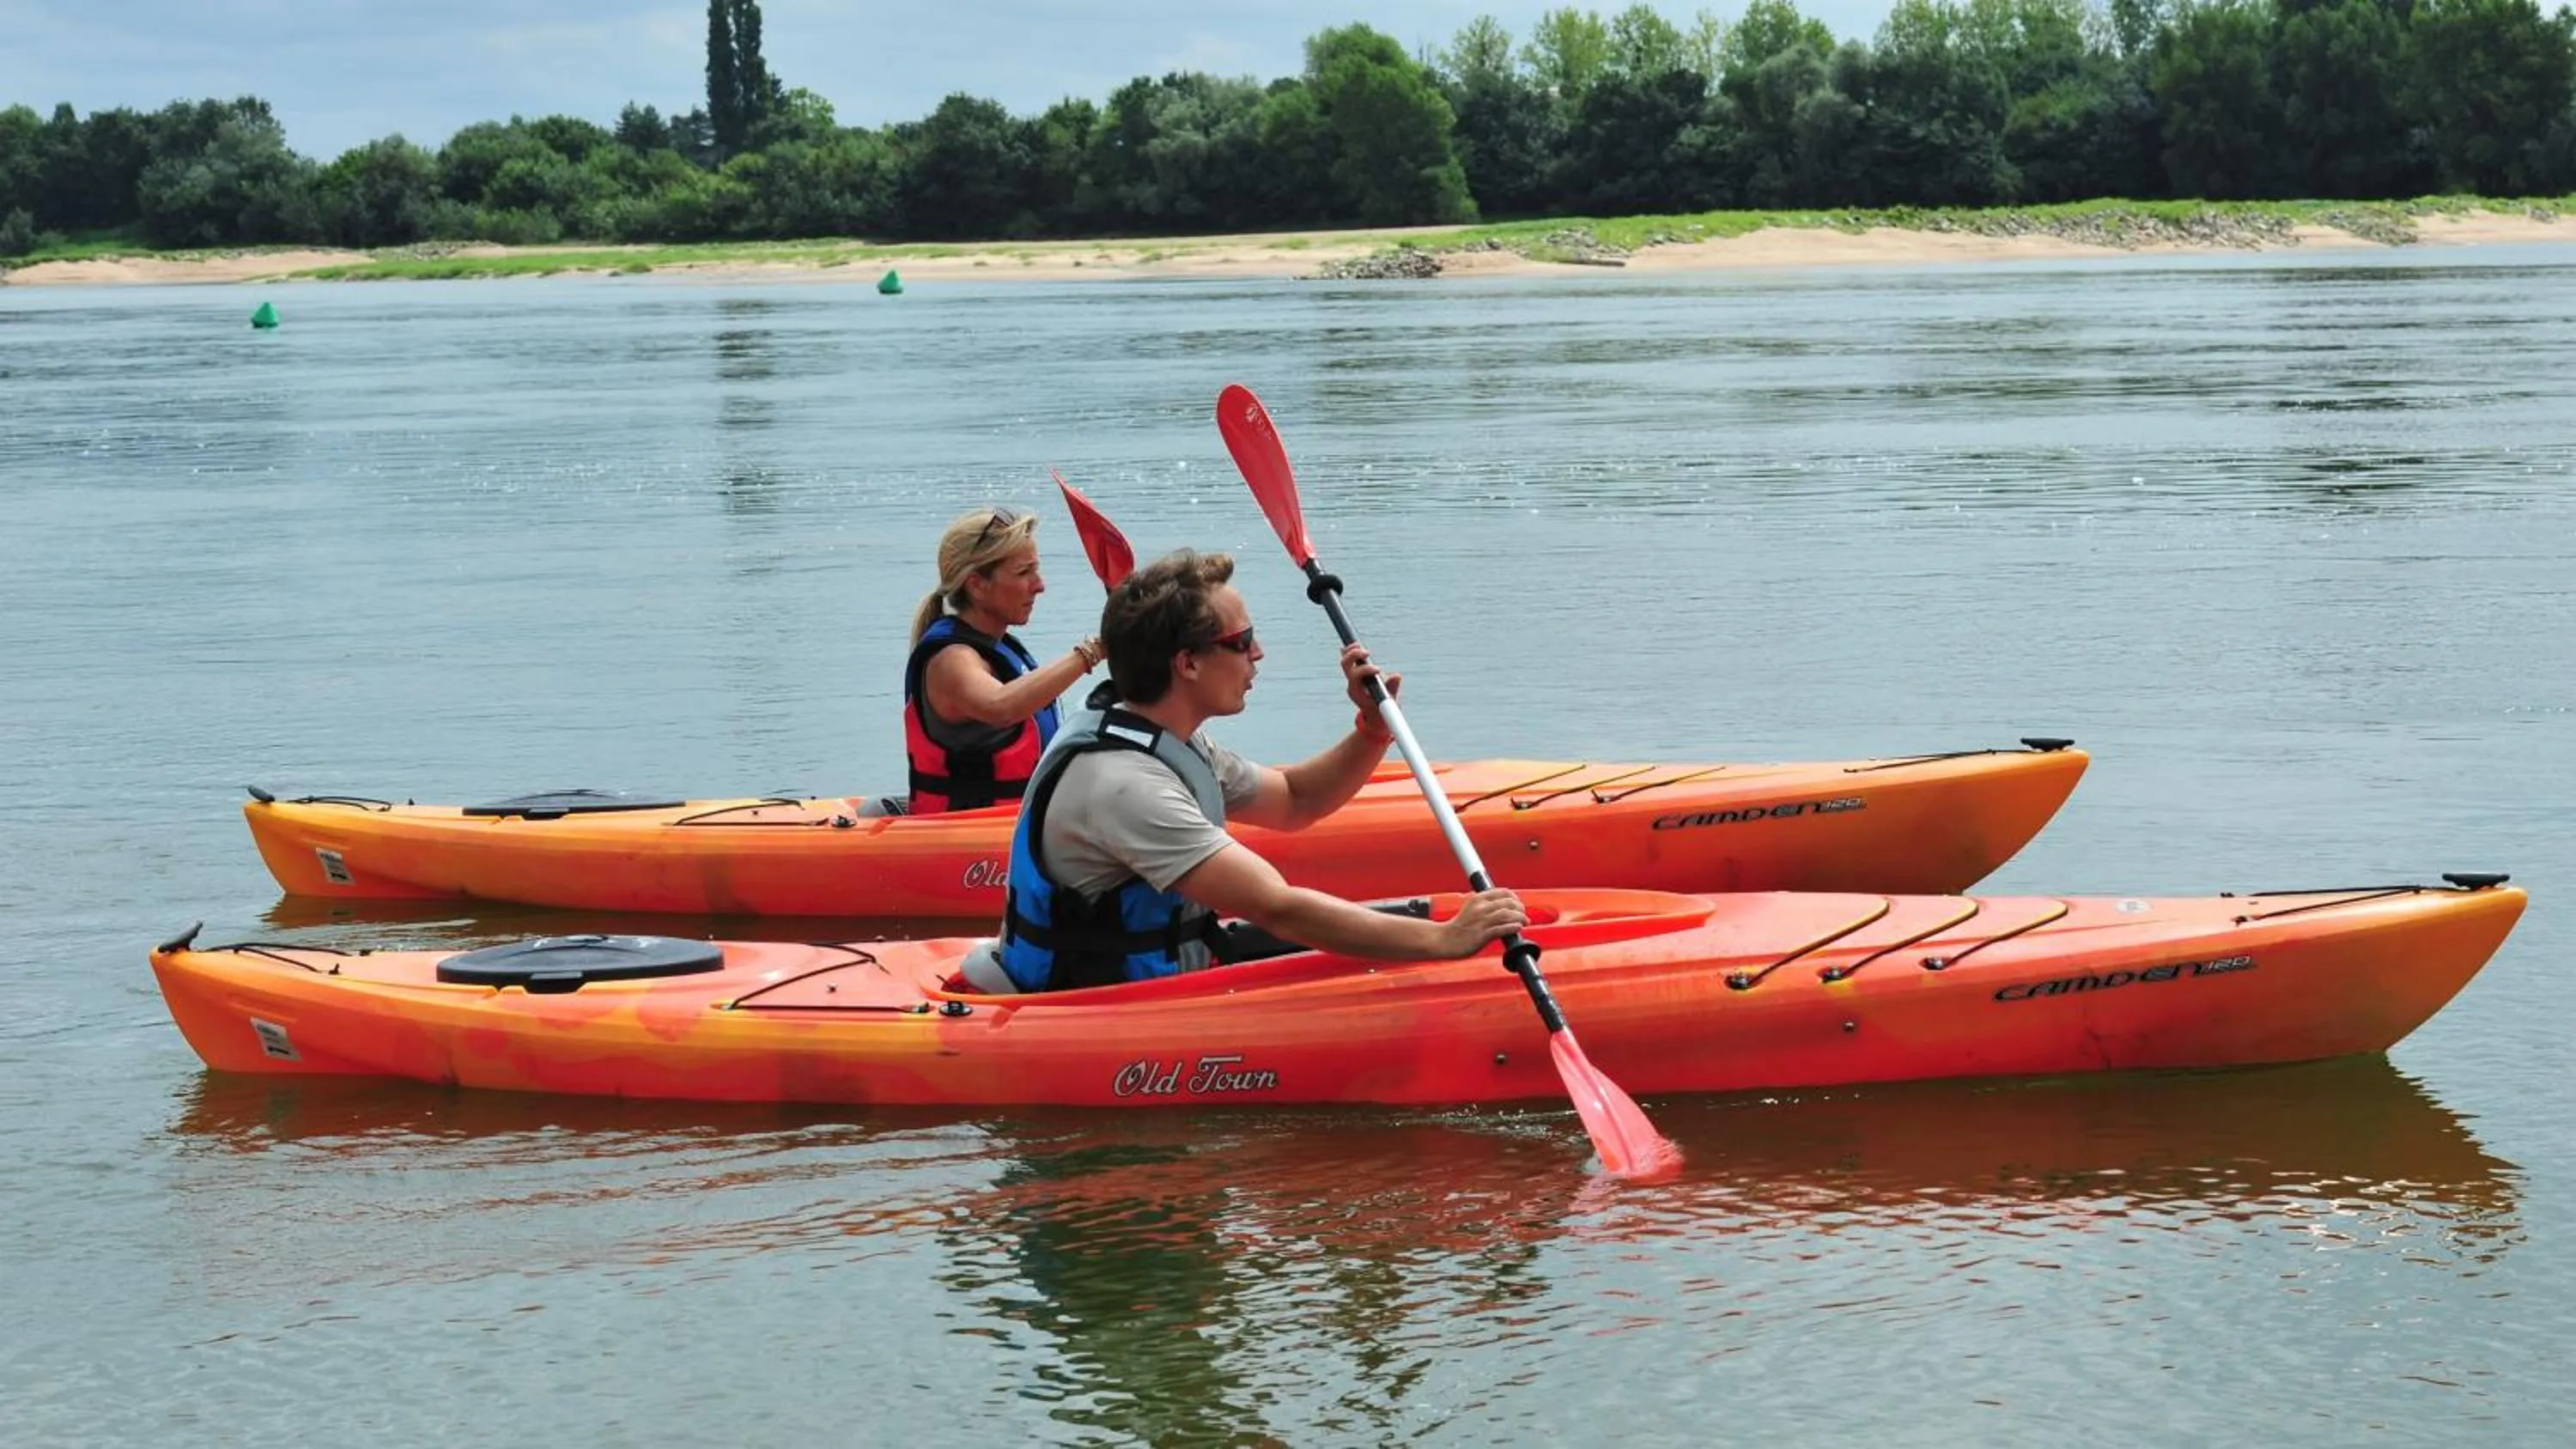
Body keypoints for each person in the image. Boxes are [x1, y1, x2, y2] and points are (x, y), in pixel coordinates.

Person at [960, 548, 1527, 994]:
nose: (1258, 655)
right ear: (1186, 663)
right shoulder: (1124, 787)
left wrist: (1371, 730)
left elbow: (1295, 799)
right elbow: (1275, 906)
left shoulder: (1168, 741)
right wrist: (1445, 940)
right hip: (1092, 1001)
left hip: (1166, 968)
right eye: (1242, 641)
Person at [903, 506, 1105, 815]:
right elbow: (1001, 707)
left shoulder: (1000, 649)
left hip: (1017, 823)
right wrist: (1094, 650)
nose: (1040, 585)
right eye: (1024, 573)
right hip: (964, 840)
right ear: (976, 585)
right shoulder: (952, 660)